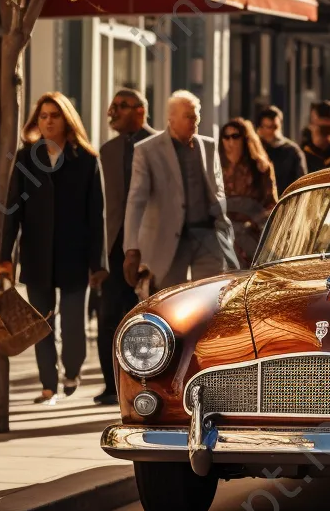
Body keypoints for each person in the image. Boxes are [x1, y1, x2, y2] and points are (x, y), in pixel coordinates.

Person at [0, 93, 108, 406]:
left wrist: (97, 262)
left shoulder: (86, 159)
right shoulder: (25, 158)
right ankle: (48, 386)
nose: (47, 121)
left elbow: (96, 214)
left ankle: (72, 369)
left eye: (54, 116)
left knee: (73, 328)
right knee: (40, 324)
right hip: (37, 255)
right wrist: (5, 256)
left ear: (66, 120)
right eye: (43, 115)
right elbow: (12, 210)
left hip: (75, 255)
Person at [123, 90, 238, 293]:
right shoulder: (147, 150)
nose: (195, 121)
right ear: (171, 118)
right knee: (171, 300)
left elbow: (217, 189)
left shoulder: (208, 146)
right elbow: (136, 200)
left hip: (207, 237)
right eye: (189, 116)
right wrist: (132, 249)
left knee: (209, 299)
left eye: (197, 116)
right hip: (168, 240)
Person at [95, 88, 157, 405]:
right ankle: (110, 385)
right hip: (115, 245)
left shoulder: (160, 145)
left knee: (148, 317)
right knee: (108, 316)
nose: (113, 111)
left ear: (140, 111)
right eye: (113, 106)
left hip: (150, 244)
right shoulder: (105, 151)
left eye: (122, 106)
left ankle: (149, 383)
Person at [219, 118, 276, 268]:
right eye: (226, 136)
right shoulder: (216, 167)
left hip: (251, 236)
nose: (230, 141)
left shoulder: (260, 168)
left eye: (235, 136)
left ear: (245, 139)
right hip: (222, 238)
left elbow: (272, 204)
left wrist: (251, 223)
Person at [255, 105, 306, 196]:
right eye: (268, 127)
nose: (272, 132)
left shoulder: (292, 151)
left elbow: (301, 182)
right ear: (260, 128)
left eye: (275, 127)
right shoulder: (255, 150)